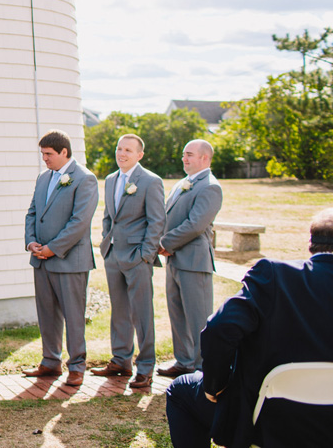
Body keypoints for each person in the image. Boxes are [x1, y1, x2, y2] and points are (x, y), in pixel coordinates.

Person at [165, 209, 333, 448]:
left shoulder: (274, 275)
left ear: (311, 244)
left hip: (264, 420)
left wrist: (215, 385)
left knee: (180, 391)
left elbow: (219, 329)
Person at [23, 129, 99, 387]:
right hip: (41, 258)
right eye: (42, 154)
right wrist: (31, 241)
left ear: (64, 152)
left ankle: (77, 366)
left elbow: (79, 222)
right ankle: (50, 361)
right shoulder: (43, 178)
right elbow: (32, 213)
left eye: (48, 154)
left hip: (69, 260)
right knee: (46, 313)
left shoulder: (84, 179)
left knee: (73, 315)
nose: (44, 159)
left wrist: (53, 248)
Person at [90, 134, 165, 389]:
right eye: (119, 149)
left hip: (137, 257)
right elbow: (109, 216)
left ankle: (145, 368)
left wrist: (146, 254)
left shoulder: (150, 181)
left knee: (142, 313)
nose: (122, 154)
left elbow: (157, 221)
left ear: (139, 155)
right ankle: (121, 361)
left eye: (128, 150)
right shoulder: (111, 179)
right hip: (113, 255)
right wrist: (105, 243)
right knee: (119, 311)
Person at [157, 139, 223, 378]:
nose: (184, 158)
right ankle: (184, 361)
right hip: (174, 259)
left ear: (204, 158)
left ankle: (203, 367)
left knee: (198, 317)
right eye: (184, 154)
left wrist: (165, 243)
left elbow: (195, 225)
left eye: (190, 155)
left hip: (194, 261)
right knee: (177, 313)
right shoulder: (183, 183)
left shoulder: (210, 186)